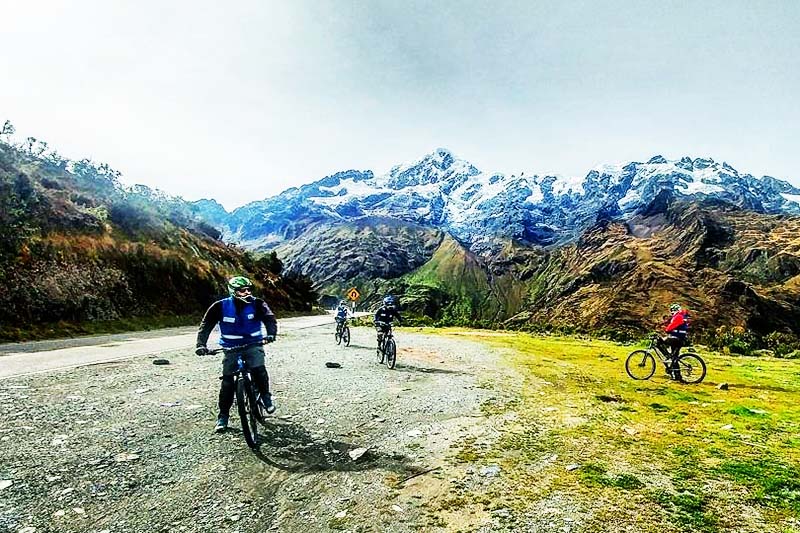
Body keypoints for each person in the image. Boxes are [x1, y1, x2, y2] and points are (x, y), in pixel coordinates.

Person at [195, 276, 278, 433]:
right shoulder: (219, 306)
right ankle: (223, 416)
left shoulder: (258, 303)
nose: (247, 292)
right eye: (242, 290)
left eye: (249, 289)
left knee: (259, 369)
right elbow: (206, 325)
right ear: (233, 292)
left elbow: (269, 319)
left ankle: (266, 397)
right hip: (230, 348)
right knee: (227, 383)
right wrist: (201, 345)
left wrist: (271, 334)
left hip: (253, 344)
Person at [660, 303, 690, 378]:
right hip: (679, 338)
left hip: (677, 338)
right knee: (674, 357)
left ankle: (667, 356)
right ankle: (677, 375)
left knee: (660, 341)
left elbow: (671, 327)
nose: (671, 312)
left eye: (672, 311)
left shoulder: (678, 316)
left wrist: (667, 330)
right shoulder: (681, 316)